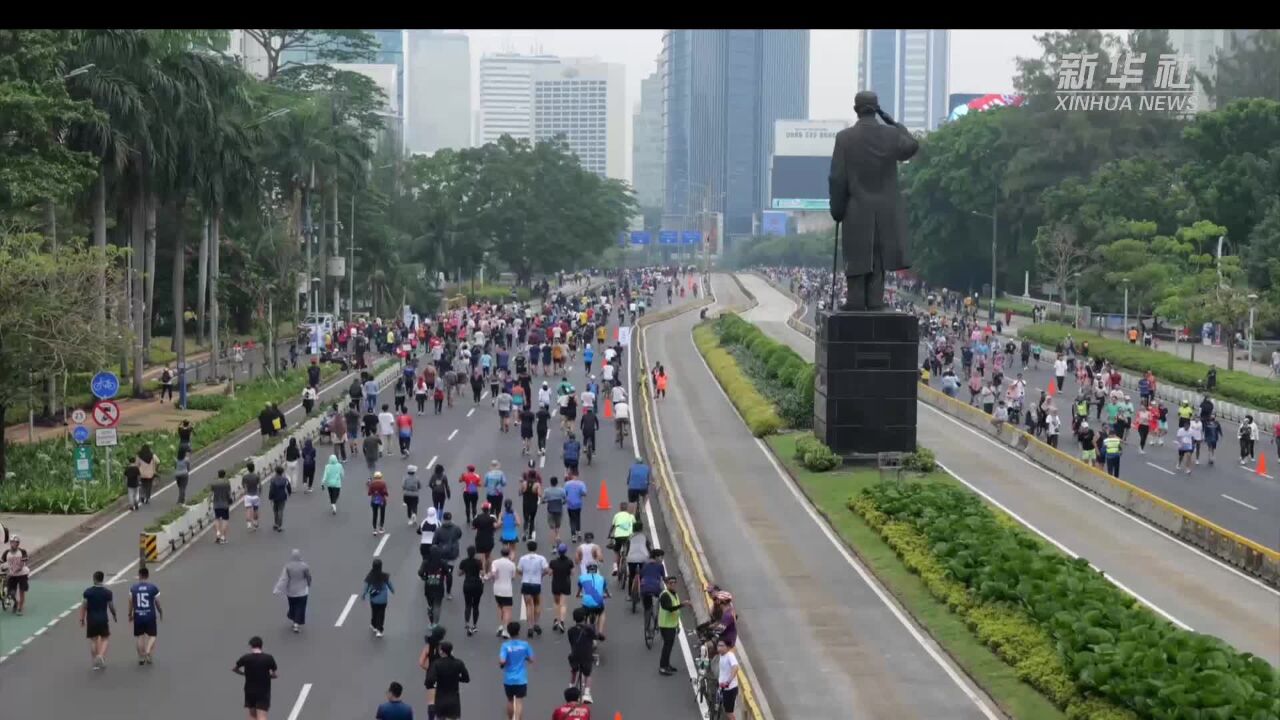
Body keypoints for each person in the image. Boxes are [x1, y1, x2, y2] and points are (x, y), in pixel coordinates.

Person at [232, 636, 278, 720]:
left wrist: (243, 674)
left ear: (251, 646)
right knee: (262, 716)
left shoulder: (245, 658)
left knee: (252, 715)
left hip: (249, 690)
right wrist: (269, 676)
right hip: (263, 691)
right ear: (261, 646)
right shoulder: (268, 658)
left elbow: (235, 669)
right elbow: (274, 674)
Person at [423, 639, 470, 720]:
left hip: (441, 698)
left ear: (441, 651)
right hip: (454, 699)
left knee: (440, 718)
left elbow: (430, 680)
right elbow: (466, 678)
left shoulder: (436, 664)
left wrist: (433, 683)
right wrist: (457, 678)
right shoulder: (458, 663)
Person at [80, 570, 116, 670]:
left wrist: (82, 619)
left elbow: (84, 606)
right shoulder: (107, 593)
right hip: (103, 619)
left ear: (94, 579)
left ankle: (95, 662)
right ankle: (100, 656)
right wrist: (114, 614)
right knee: (105, 638)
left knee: (93, 640)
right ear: (102, 579)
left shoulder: (88, 592)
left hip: (91, 619)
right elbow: (111, 606)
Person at [499, 621, 535, 720]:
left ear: (509, 632)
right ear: (519, 631)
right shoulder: (525, 645)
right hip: (521, 679)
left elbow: (502, 661)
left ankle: (510, 718)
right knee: (519, 701)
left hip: (508, 679)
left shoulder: (505, 646)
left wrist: (502, 664)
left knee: (510, 700)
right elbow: (532, 659)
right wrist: (525, 658)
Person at [128, 566, 162, 665]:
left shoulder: (133, 588)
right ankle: (148, 651)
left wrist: (130, 614)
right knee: (152, 635)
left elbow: (130, 602)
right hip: (150, 615)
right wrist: (160, 611)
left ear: (139, 576)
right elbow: (157, 602)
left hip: (138, 614)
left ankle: (141, 657)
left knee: (139, 636)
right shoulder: (153, 588)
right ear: (147, 576)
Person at [566, 607, 600, 704]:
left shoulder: (570, 631)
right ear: (585, 618)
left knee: (574, 670)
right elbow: (596, 637)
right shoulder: (589, 629)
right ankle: (587, 694)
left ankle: (571, 686)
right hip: (586, 656)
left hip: (575, 656)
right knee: (588, 674)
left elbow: (571, 642)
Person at [273, 549, 311, 633]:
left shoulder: (288, 566)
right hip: (302, 591)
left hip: (291, 591)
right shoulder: (304, 566)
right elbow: (308, 576)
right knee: (300, 607)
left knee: (293, 606)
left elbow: (283, 579)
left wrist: (277, 589)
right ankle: (296, 623)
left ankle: (293, 619)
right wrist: (309, 583)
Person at [517, 540, 550, 637]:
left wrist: (524, 575)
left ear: (528, 548)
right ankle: (536, 623)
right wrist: (541, 575)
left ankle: (530, 627)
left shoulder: (523, 558)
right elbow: (547, 570)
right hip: (536, 583)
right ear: (536, 548)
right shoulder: (541, 558)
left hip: (526, 583)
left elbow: (518, 570)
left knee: (528, 605)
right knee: (537, 604)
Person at [657, 575, 684, 675]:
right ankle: (662, 667)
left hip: (672, 625)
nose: (672, 584)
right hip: (665, 626)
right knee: (667, 646)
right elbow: (669, 608)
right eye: (670, 583)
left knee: (669, 646)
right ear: (667, 584)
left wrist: (677, 625)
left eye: (674, 582)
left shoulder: (674, 594)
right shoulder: (665, 595)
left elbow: (675, 612)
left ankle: (667, 664)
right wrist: (682, 605)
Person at [490, 547, 518, 637]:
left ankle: (501, 625)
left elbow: (493, 573)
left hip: (497, 589)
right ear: (509, 553)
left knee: (500, 607)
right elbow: (513, 577)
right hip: (507, 590)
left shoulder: (495, 562)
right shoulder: (512, 564)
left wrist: (495, 578)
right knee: (507, 610)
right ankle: (505, 630)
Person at [363, 558, 395, 638]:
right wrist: (392, 590)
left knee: (374, 612)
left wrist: (364, 594)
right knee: (381, 614)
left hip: (374, 598)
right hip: (383, 600)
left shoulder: (370, 576)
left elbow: (366, 587)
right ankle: (379, 630)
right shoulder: (384, 576)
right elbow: (389, 584)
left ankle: (373, 625)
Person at [549, 543, 575, 633]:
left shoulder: (553, 562)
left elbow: (550, 573)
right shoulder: (569, 562)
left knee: (556, 602)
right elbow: (572, 573)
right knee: (563, 604)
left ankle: (556, 619)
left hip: (556, 583)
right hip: (566, 583)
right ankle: (562, 622)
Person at [577, 562, 609, 637]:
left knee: (585, 611)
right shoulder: (601, 578)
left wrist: (578, 594)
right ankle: (600, 631)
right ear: (596, 569)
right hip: (598, 603)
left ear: (587, 569)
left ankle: (587, 625)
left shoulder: (582, 577)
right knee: (602, 612)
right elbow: (605, 590)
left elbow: (579, 590)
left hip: (587, 604)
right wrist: (608, 595)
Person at [608, 502, 636, 582]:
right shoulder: (631, 516)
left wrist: (609, 534)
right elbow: (634, 526)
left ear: (620, 508)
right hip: (628, 536)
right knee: (628, 552)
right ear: (627, 508)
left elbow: (613, 526)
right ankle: (627, 568)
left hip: (618, 536)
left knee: (616, 551)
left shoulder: (617, 515)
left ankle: (615, 568)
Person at [3, 535, 30, 615]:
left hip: (22, 574)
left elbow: (23, 563)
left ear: (18, 544)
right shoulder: (7, 553)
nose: (13, 544)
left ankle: (20, 608)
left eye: (14, 543)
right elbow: (1, 561)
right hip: (12, 575)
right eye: (11, 542)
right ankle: (16, 602)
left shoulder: (22, 551)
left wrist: (17, 568)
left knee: (22, 591)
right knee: (10, 592)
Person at [717, 638, 742, 720]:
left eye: (721, 646)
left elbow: (735, 667)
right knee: (726, 709)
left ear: (727, 647)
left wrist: (728, 682)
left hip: (730, 689)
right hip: (723, 688)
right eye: (718, 645)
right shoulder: (721, 655)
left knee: (729, 713)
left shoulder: (729, 655)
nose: (719, 647)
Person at [542, 476, 567, 546]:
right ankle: (558, 535)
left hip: (550, 510)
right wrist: (562, 502)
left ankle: (553, 544)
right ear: (557, 482)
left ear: (550, 482)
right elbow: (565, 499)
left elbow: (543, 499)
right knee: (557, 525)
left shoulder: (547, 491)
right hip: (559, 509)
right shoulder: (561, 490)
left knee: (552, 527)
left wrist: (546, 501)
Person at [472, 503, 498, 569]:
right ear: (489, 509)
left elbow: (473, 527)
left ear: (482, 509)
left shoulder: (477, 516)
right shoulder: (492, 517)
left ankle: (481, 572)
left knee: (481, 556)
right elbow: (495, 526)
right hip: (489, 539)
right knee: (488, 556)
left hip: (479, 539)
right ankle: (486, 572)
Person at [520, 465, 542, 541]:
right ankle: (530, 535)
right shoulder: (537, 484)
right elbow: (539, 494)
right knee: (532, 519)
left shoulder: (524, 483)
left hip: (525, 503)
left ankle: (524, 533)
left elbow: (520, 492)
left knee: (526, 519)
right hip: (533, 504)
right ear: (535, 476)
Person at [267, 465, 291, 532]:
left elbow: (271, 489)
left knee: (275, 510)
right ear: (282, 472)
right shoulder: (285, 479)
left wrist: (270, 497)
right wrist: (289, 493)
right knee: (281, 510)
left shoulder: (273, 480)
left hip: (275, 497)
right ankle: (279, 526)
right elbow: (288, 487)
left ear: (276, 472)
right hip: (282, 497)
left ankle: (276, 523)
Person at [369, 470, 390, 535]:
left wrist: (375, 492)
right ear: (381, 476)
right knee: (382, 513)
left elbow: (369, 493)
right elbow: (385, 492)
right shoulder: (383, 483)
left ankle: (374, 529)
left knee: (375, 514)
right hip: (381, 500)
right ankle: (381, 527)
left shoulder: (372, 483)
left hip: (374, 499)